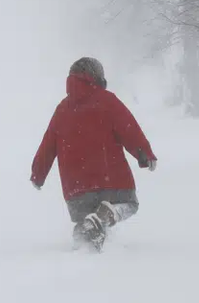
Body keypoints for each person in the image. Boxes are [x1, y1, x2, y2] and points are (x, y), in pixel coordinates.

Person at [30, 57, 157, 250]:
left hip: (76, 190)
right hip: (111, 181)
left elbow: (47, 145)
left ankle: (84, 239)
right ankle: (108, 214)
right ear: (97, 77)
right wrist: (144, 154)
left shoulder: (62, 109)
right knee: (129, 205)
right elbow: (128, 129)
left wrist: (38, 174)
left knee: (87, 220)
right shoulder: (107, 101)